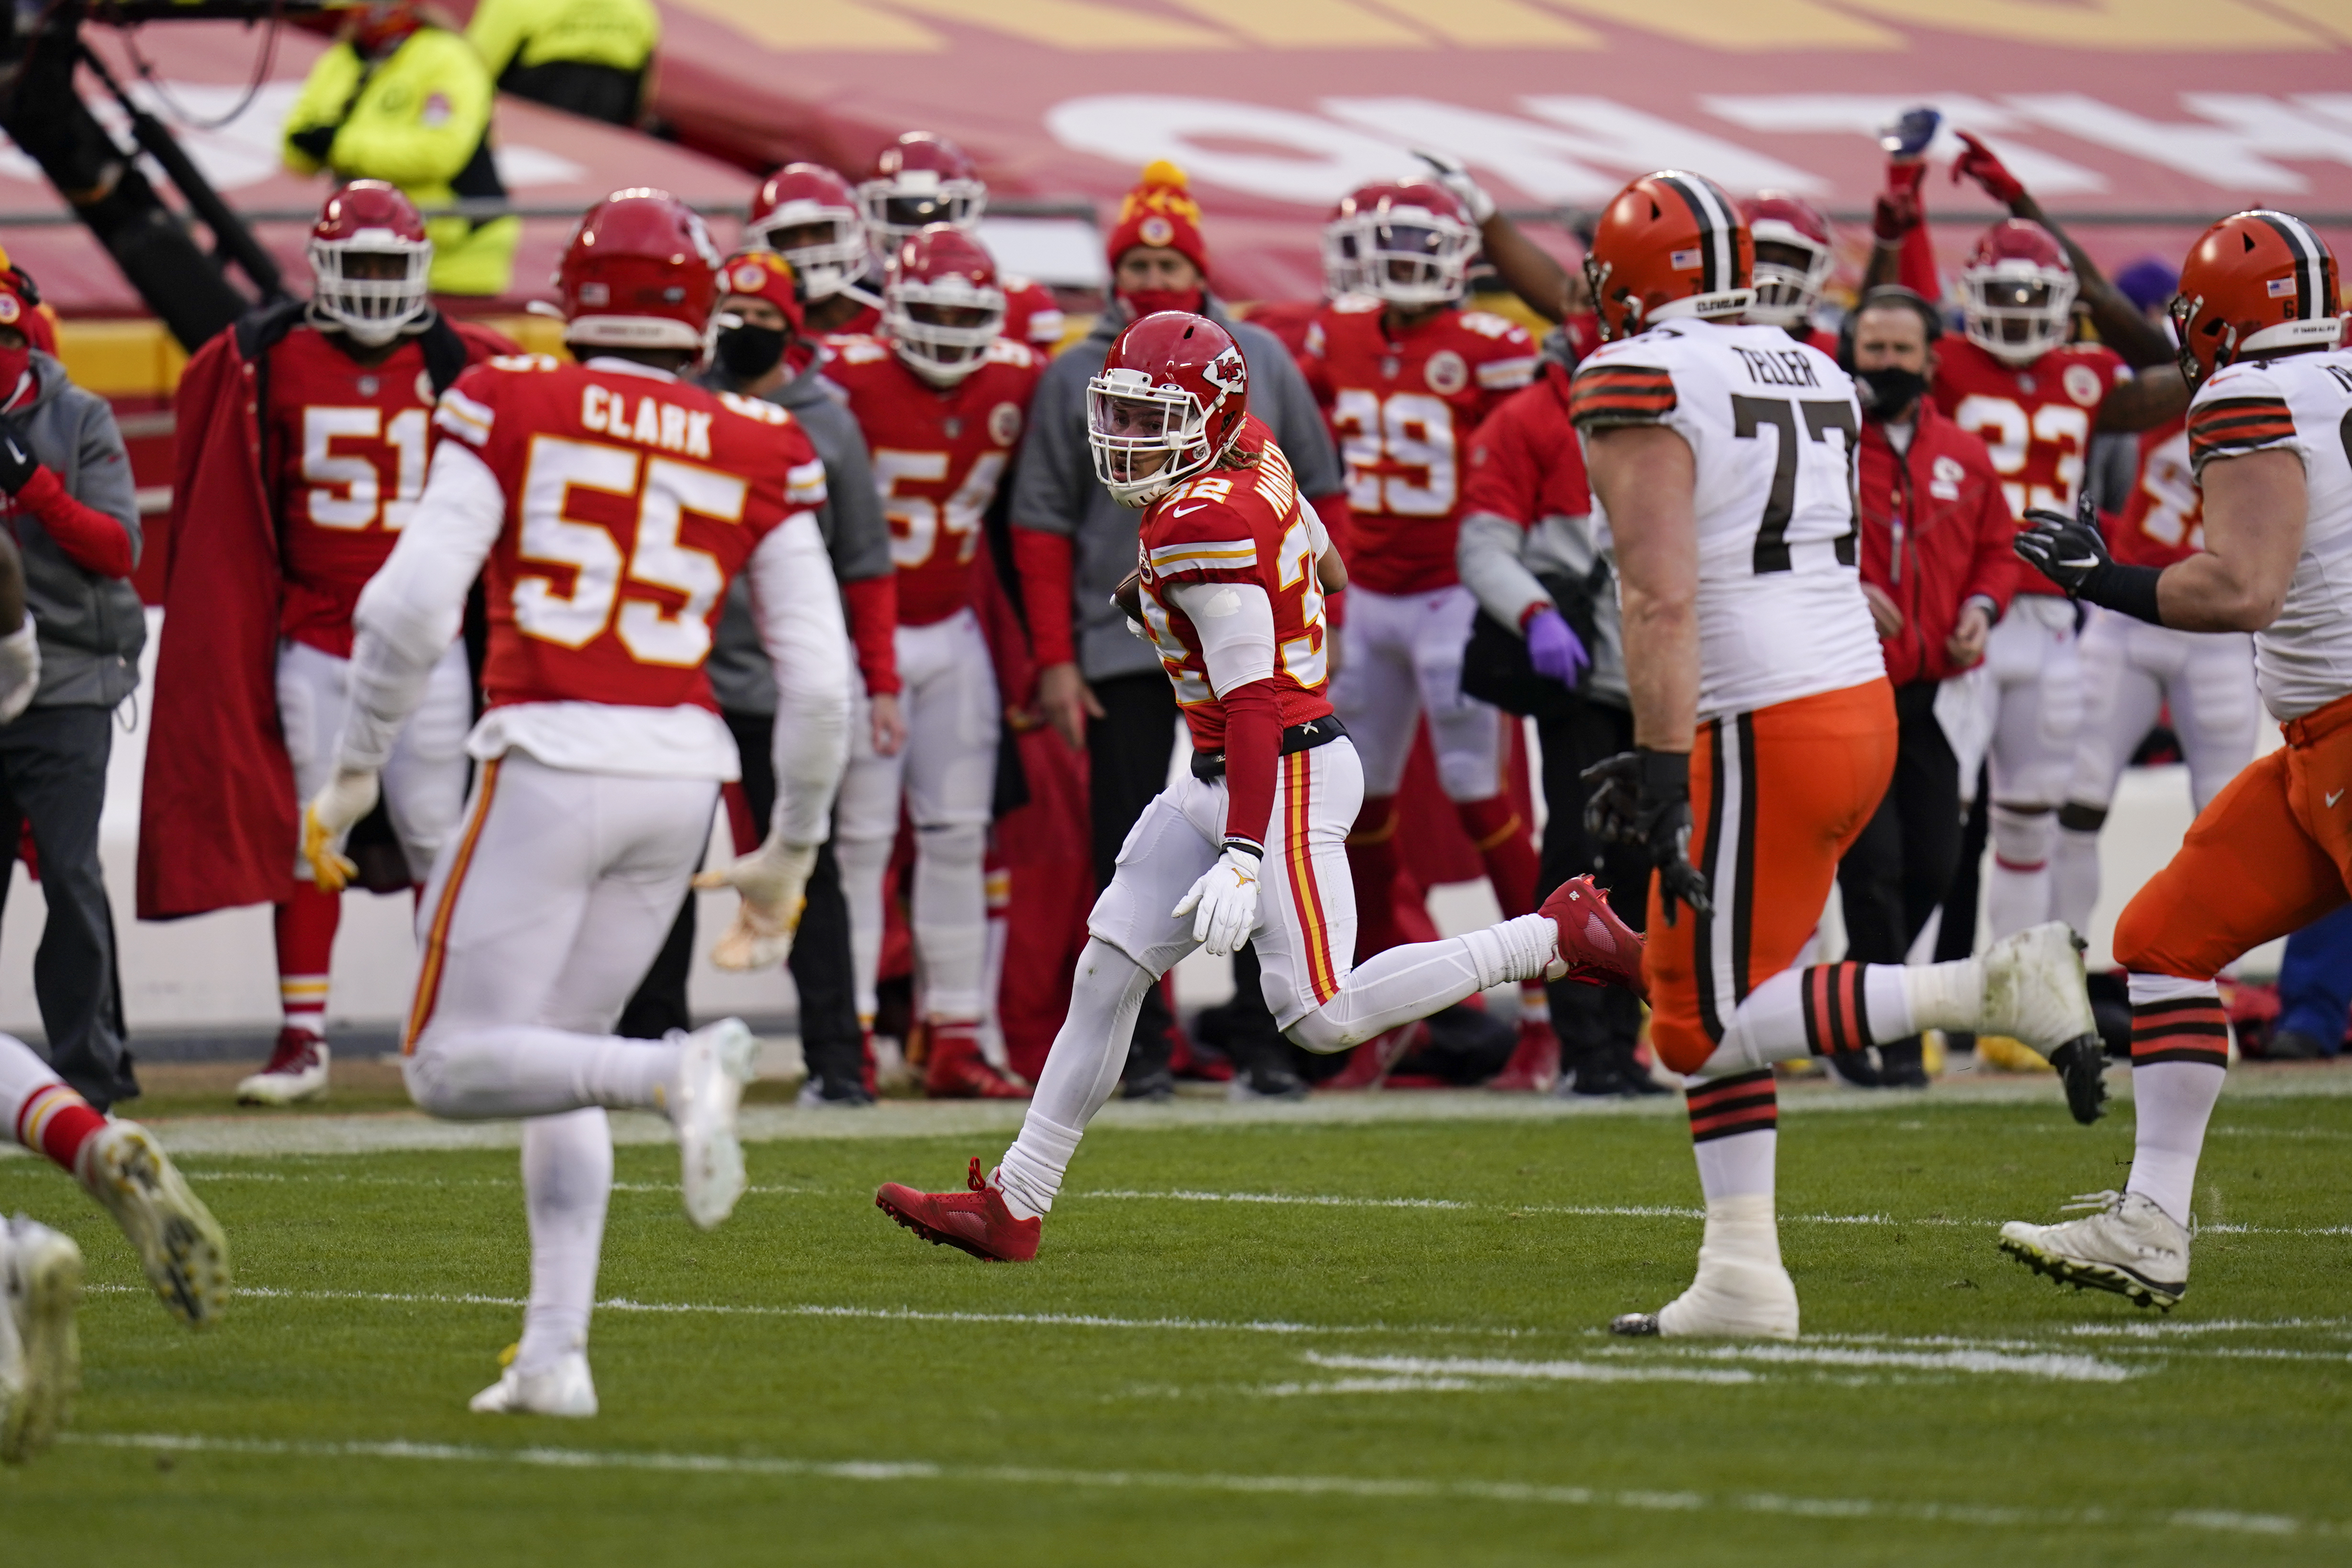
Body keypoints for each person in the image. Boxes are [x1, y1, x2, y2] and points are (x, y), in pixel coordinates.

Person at [870, 311, 1643, 1261]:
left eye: (1152, 420)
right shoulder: (1252, 451)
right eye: (1119, 413)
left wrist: (1243, 851)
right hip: (1224, 770)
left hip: (1281, 769)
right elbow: (1327, 561)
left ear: (1210, 415)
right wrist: (1170, 590)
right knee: (1107, 968)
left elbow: (1254, 704)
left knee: (1319, 1017)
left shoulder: (1204, 524)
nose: (1126, 439)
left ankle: (1552, 933)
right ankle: (1018, 1200)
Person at [299, 189, 852, 1414]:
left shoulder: (510, 395)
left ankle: (673, 1074)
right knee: (556, 1059)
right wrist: (789, 849)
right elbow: (823, 683)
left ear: (574, 300)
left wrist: (352, 767)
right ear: (701, 312)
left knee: (448, 1066)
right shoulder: (762, 436)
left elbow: (401, 608)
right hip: (685, 781)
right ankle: (556, 1354)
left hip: (552, 754)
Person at [1567, 170, 2101, 1340]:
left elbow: (1661, 596)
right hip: (1847, 700)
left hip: (1763, 716)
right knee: (1696, 990)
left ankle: (1988, 986)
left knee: (1698, 1024)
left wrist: (1662, 759)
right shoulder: (1810, 362)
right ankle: (1742, 1278)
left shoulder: (1642, 370)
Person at [2000, 210, 2350, 1311]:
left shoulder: (2251, 395)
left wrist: (2103, 577)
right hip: (2313, 742)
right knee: (2163, 939)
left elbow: (2243, 589)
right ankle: (2152, 1221)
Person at [140, 182, 515, 1106]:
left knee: (437, 832)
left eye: (395, 265)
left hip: (428, 645)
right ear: (323, 268)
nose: (381, 285)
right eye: (365, 265)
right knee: (317, 832)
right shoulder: (264, 356)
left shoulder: (467, 359)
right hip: (316, 635)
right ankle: (303, 1036)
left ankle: (441, 1027)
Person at [1011, 161, 1348, 1101]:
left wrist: (1319, 624)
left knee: (1260, 840)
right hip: (1124, 637)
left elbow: (1320, 498)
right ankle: (1145, 1048)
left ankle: (1265, 1037)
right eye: (1139, 261)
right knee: (1125, 843)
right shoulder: (1077, 371)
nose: (1154, 276)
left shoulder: (1260, 364)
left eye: (1171, 260)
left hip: (1232, 624)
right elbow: (1039, 520)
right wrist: (1053, 656)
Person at [1865, 126, 2185, 948]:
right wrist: (1905, 212)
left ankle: (2011, 999)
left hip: (2049, 616)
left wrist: (2025, 207)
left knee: (2030, 819)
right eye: (1997, 296)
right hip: (1957, 607)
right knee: (1941, 814)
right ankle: (1912, 1001)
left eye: (2027, 296)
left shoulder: (2084, 375)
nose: (2011, 312)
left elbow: (2176, 369)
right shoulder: (1945, 359)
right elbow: (1891, 310)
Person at [613, 248, 899, 1108]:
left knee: (804, 869)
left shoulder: (828, 422)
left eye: (762, 317)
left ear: (793, 326)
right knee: (658, 863)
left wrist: (880, 679)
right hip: (682, 676)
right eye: (729, 315)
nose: (743, 332)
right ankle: (650, 1049)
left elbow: (866, 561)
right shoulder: (677, 407)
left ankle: (838, 1061)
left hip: (785, 687)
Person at [1304, 178, 1549, 1085]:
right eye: (1391, 243)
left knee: (1478, 791)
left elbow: (1528, 457)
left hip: (1453, 591)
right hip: (1367, 592)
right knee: (1353, 804)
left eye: (1423, 243)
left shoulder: (1492, 345)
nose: (1405, 261)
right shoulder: (1341, 333)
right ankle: (1374, 1011)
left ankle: (1544, 1009)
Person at [824, 227, 1040, 1099]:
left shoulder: (1023, 376)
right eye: (933, 310)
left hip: (953, 630)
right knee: (862, 843)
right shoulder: (844, 371)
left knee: (958, 837)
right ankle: (852, 1039)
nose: (950, 328)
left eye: (967, 314)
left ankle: (956, 1032)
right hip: (857, 634)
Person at [1456, 327, 1658, 1096]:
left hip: (1658, 669)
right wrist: (1534, 610)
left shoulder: (1674, 404)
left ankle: (1622, 1042)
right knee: (1578, 854)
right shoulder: (1529, 419)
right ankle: (1583, 1047)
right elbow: (1481, 547)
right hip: (1582, 675)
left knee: (1646, 853)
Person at [1833, 286, 2017, 1088]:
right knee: (1870, 862)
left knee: (1937, 864)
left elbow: (1998, 550)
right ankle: (1892, 1038)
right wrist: (1844, 587)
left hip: (1938, 690)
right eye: (1874, 349)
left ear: (1932, 358)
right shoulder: (1827, 444)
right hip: (1852, 682)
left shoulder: (1967, 454)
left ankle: (1847, 1001)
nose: (1888, 364)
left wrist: (1982, 607)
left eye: (1901, 350)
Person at [2051, 261, 2261, 938]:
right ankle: (2061, 974)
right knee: (2077, 799)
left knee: (2225, 815)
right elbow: (2109, 306)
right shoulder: (2184, 380)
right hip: (2131, 612)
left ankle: (2213, 982)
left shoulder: (2287, 396)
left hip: (2219, 627)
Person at [0, 267, 144, 1112]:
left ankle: (90, 1068)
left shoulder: (79, 417)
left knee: (69, 871)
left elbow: (118, 548)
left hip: (67, 679)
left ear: (25, 345)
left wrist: (34, 484)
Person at [282, 0, 517, 297]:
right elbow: (295, 151)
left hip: (452, 257)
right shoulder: (343, 57)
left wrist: (338, 145)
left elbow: (438, 153)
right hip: (367, 250)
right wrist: (329, 145)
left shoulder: (447, 56)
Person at [856, 133, 1065, 351]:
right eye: (900, 210)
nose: (921, 225)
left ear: (969, 207)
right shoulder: (846, 301)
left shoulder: (1023, 300)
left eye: (941, 209)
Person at [465, 0, 658, 126]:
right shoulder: (638, 9)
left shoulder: (515, 4)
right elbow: (643, 98)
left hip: (530, 119)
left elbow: (474, 68)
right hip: (605, 129)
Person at [1740, 192, 1839, 354]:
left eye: (1785, 263)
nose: (1771, 274)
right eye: (1760, 260)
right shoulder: (1706, 342)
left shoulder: (1835, 351)